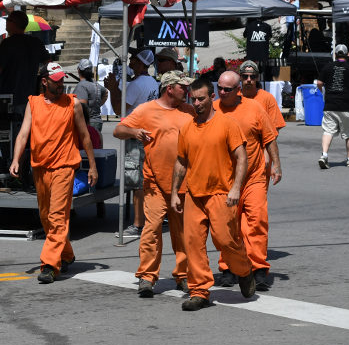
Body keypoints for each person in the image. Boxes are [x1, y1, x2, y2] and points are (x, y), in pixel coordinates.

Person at [170, 78, 255, 311]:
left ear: (212, 98)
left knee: (225, 240)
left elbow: (241, 158)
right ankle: (200, 291)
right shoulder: (187, 128)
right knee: (193, 244)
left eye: (201, 98)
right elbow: (180, 161)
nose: (196, 103)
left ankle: (243, 270)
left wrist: (236, 187)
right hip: (193, 195)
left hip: (220, 192)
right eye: (193, 99)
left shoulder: (227, 124)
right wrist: (176, 192)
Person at [10, 62, 97, 284]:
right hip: (40, 166)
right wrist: (15, 160)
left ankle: (49, 265)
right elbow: (22, 135)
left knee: (57, 217)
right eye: (56, 81)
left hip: (65, 166)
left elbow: (85, 137)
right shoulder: (34, 103)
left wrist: (93, 166)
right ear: (44, 81)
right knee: (46, 217)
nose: (61, 85)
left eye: (62, 81)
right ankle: (66, 254)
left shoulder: (73, 104)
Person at [114, 71, 195, 297]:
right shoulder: (146, 110)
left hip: (184, 184)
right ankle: (147, 276)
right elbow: (118, 130)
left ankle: (184, 275)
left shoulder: (189, 110)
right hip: (155, 183)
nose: (186, 90)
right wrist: (134, 132)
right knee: (152, 229)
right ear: (169, 88)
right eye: (182, 86)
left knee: (183, 232)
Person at [213, 71, 281, 292]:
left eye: (227, 90)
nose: (222, 93)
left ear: (238, 89)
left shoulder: (254, 108)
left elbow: (269, 138)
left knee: (256, 220)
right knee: (227, 224)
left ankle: (259, 269)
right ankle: (229, 268)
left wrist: (276, 166)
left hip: (254, 176)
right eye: (220, 89)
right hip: (224, 179)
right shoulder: (212, 109)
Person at [105, 49, 159, 237]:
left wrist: (113, 88)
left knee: (137, 181)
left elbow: (120, 108)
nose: (131, 62)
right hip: (147, 134)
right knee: (145, 180)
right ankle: (145, 220)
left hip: (136, 136)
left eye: (134, 60)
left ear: (141, 64)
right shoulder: (151, 82)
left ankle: (138, 224)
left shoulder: (137, 84)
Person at [0, 9, 48, 126]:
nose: (6, 22)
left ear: (14, 23)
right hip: (30, 98)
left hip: (9, 98)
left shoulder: (8, 44)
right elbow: (49, 64)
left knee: (9, 135)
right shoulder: (36, 42)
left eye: (8, 19)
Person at [316, 45, 349, 167]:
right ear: (346, 55)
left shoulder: (328, 67)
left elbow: (319, 82)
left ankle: (324, 155)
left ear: (335, 55)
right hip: (346, 105)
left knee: (328, 131)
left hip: (330, 104)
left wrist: (322, 91)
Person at [238, 60, 286, 136]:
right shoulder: (234, 97)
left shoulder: (268, 98)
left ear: (257, 77)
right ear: (240, 77)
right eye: (245, 76)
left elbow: (275, 128)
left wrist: (266, 147)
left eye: (252, 76)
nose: (249, 79)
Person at [72, 58, 108, 137]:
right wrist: (97, 104)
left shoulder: (81, 86)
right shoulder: (96, 84)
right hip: (98, 121)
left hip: (88, 123)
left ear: (79, 70)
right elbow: (106, 92)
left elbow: (82, 107)